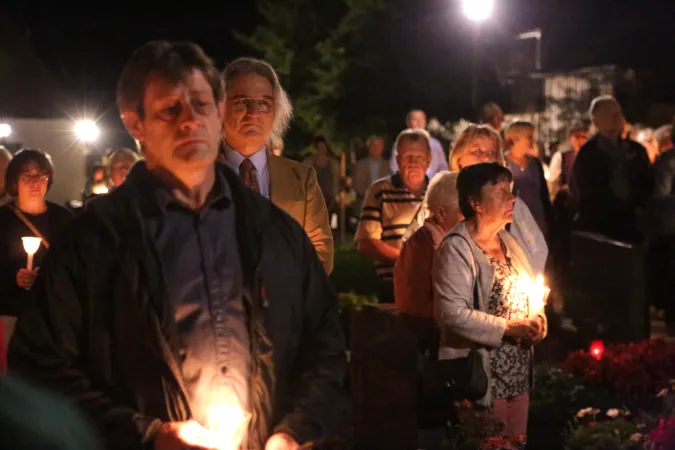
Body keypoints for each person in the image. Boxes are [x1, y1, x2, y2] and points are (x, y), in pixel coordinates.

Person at [9, 41, 347, 450]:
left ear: (218, 112)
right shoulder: (96, 241)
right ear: (136, 123)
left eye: (201, 105)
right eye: (171, 110)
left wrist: (293, 431)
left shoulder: (274, 231)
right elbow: (40, 367)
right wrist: (149, 435)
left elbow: (325, 343)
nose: (190, 122)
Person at [433, 162, 547, 440]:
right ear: (475, 203)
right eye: (499, 192)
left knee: (516, 444)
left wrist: (539, 319)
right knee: (491, 444)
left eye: (510, 191)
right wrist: (506, 327)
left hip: (517, 373)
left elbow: (532, 289)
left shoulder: (508, 241)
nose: (511, 199)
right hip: (482, 377)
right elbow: (451, 313)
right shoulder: (458, 248)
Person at [220, 57, 334, 274]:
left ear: (276, 111)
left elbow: (321, 254)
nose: (253, 113)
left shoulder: (302, 179)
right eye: (241, 101)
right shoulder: (192, 177)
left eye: (264, 103)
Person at [356, 129, 431, 303]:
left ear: (429, 160)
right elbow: (366, 242)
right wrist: (407, 263)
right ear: (397, 160)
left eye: (419, 157)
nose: (413, 162)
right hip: (393, 286)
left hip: (433, 289)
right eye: (407, 157)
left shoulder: (439, 193)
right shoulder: (379, 191)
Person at [570, 95, 652, 242]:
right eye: (611, 114)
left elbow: (647, 183)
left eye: (619, 113)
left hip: (632, 224)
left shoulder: (635, 150)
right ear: (597, 120)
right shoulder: (588, 153)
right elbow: (581, 189)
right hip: (601, 227)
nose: (618, 118)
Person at [503, 121, 554, 237]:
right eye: (529, 137)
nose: (532, 141)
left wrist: (549, 220)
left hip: (537, 220)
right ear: (515, 139)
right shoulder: (504, 163)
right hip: (514, 224)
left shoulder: (535, 163)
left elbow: (543, 194)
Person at [389, 109, 449, 178]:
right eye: (415, 119)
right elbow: (394, 167)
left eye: (422, 119)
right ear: (408, 122)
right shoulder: (400, 143)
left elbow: (443, 168)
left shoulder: (435, 144)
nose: (419, 122)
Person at [303, 136, 341, 211]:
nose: (321, 150)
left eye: (323, 147)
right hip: (313, 198)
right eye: (319, 147)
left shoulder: (334, 164)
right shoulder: (308, 163)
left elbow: (338, 180)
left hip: (329, 199)